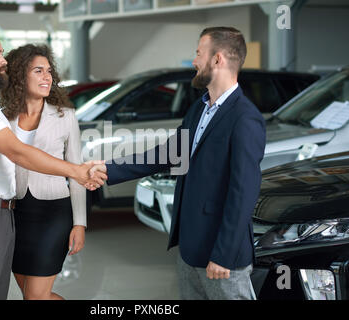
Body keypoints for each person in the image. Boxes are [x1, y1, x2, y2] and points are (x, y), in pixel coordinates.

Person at [95, 27, 266, 300]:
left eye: (199, 53)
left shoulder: (245, 118)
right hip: (190, 249)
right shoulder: (200, 107)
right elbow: (168, 153)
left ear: (217, 59)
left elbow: (243, 193)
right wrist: (108, 169)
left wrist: (223, 255)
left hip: (221, 258)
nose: (195, 61)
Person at [0, 28, 106, 300]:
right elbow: (17, 152)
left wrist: (80, 221)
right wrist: (77, 172)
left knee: (15, 295)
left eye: (48, 71)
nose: (3, 61)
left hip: (18, 214)